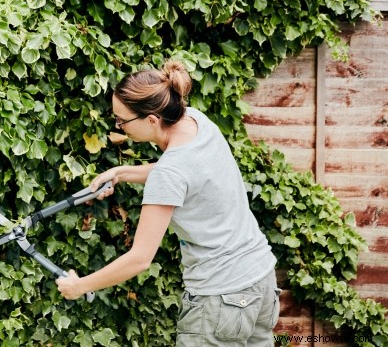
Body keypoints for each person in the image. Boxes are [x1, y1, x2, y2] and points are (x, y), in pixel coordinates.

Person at [56, 60, 281, 347]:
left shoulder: (169, 173)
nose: (119, 127)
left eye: (122, 121)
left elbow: (139, 258)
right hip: (260, 280)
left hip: (221, 300)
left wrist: (79, 286)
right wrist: (121, 173)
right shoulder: (197, 122)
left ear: (151, 120)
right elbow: (187, 175)